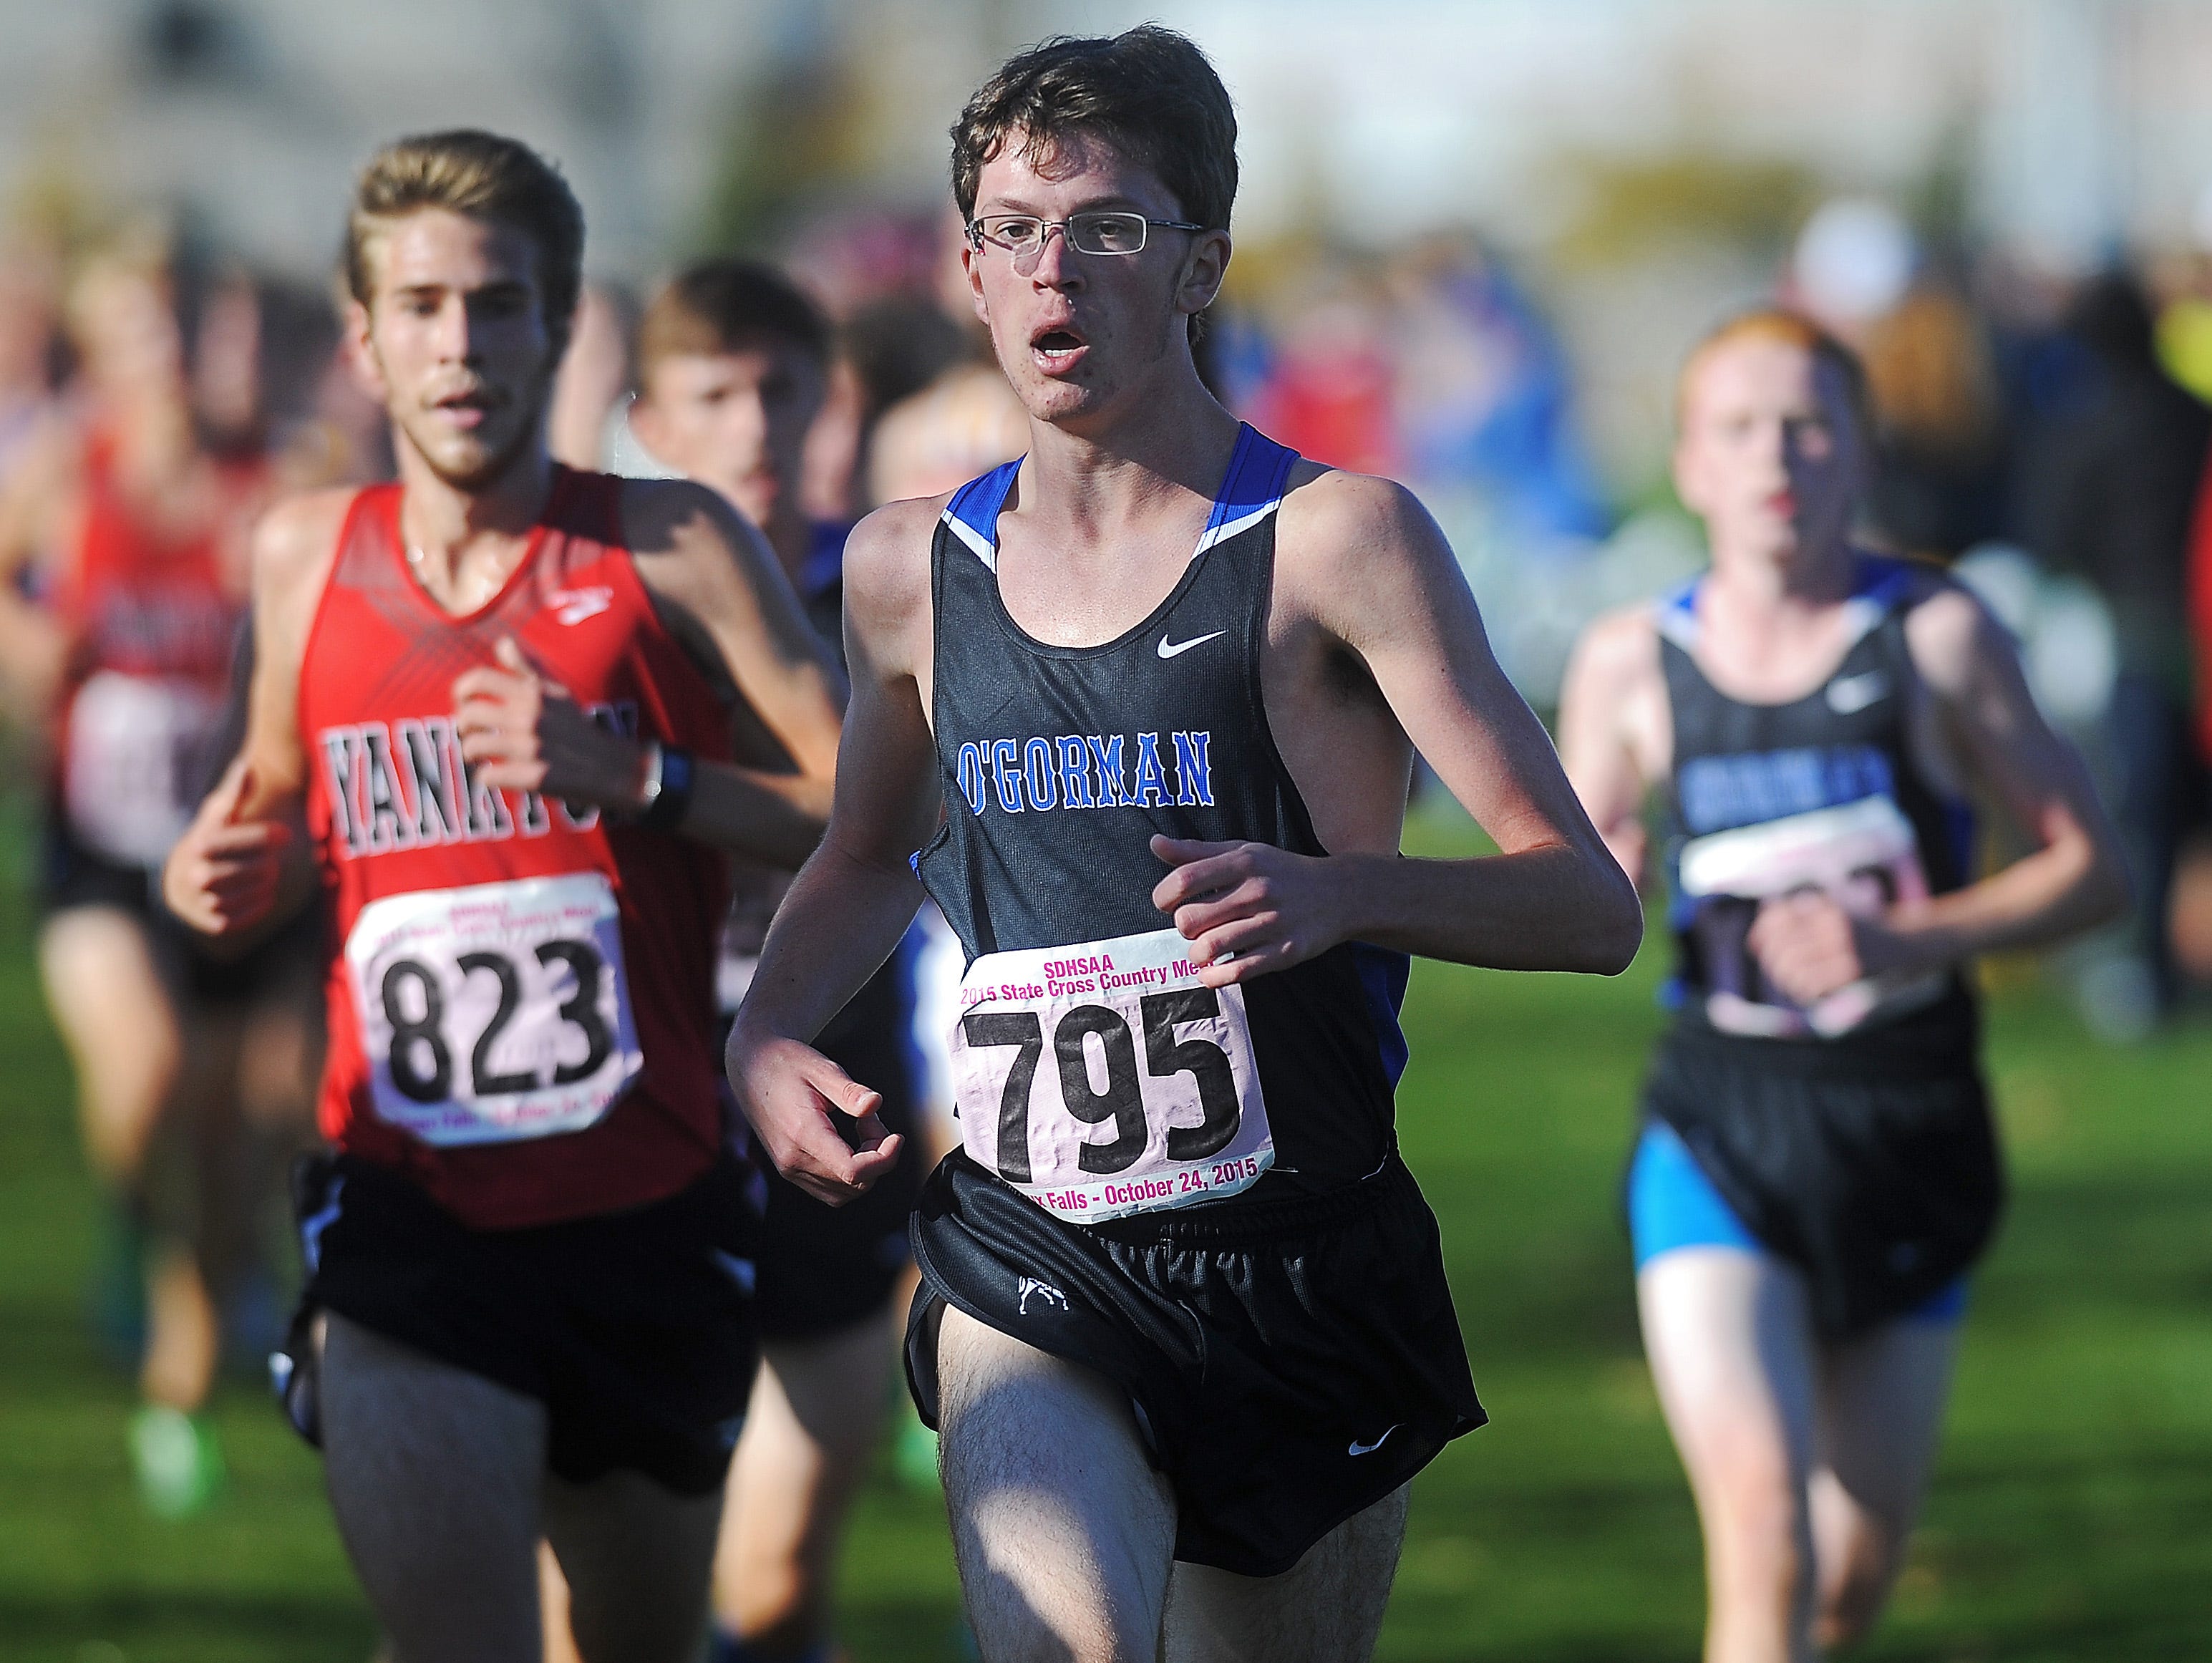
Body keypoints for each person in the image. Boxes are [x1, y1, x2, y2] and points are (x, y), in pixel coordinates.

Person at [725, 27, 1641, 1663]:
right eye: (1014, 228)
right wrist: (771, 1027)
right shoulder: (903, 572)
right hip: (1034, 1246)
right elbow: (869, 853)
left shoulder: (1335, 542)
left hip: (1297, 1258)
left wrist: (1346, 893)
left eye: (1111, 228)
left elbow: (1586, 905)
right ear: (971, 269)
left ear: (1200, 263)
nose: (1055, 266)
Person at [161, 130, 845, 1663]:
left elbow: (865, 813)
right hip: (408, 1211)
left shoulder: (670, 545)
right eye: (420, 306)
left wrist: (645, 782)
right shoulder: (301, 557)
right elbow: (271, 812)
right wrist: (223, 872)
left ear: (556, 322)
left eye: (498, 303)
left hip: (648, 1213)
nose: (460, 343)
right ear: (364, 335)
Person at [1557, 309, 2125, 1662]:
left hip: (1905, 1123)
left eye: (1808, 426)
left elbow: (2096, 870)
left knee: (1847, 1581)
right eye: (1739, 429)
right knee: (1761, 1531)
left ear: (1859, 452)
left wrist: (1906, 942)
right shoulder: (1629, 662)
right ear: (1689, 463)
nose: (1777, 459)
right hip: (1719, 1126)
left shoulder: (1932, 635)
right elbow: (1582, 905)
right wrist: (1609, 883)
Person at [624, 257, 931, 1663]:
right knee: (603, 1599)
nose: (754, 426)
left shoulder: (885, 597)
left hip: (837, 1071)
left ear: (829, 400)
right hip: (638, 1088)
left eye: (780, 390)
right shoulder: (604, 603)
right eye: (714, 394)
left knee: (780, 1578)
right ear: (651, 416)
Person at [0, 234, 286, 1514]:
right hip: (102, 854)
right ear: (105, 352)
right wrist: (32, 648)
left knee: (248, 1132)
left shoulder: (273, 483)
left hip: (236, 855)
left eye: (183, 326)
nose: (168, 357)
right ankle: (138, 1239)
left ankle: (183, 1380)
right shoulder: (66, 475)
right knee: (151, 1075)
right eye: (141, 333)